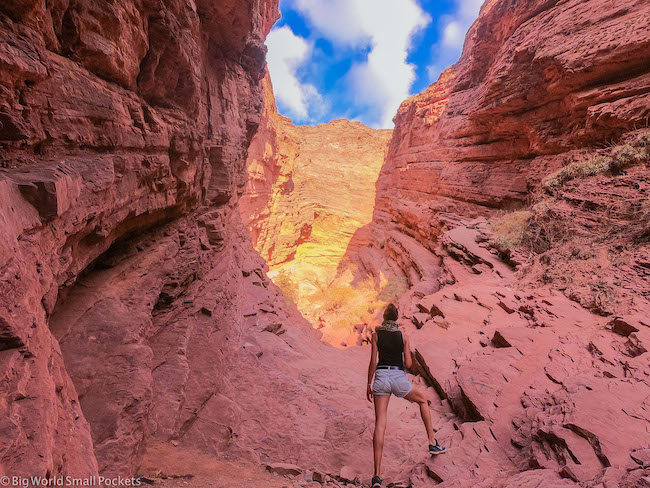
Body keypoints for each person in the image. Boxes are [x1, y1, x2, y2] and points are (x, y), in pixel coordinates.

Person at [366, 303, 446, 487]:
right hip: (398, 377)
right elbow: (409, 363)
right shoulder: (403, 336)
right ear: (396, 318)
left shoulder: (376, 336)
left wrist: (368, 384)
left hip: (381, 377)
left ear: (385, 317)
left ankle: (377, 476)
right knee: (422, 401)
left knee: (380, 423)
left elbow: (372, 362)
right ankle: (432, 443)